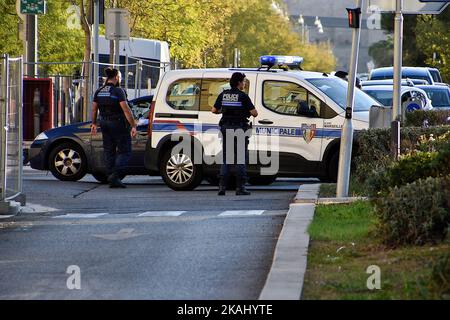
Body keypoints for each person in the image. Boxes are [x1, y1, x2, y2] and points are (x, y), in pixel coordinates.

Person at [212, 72, 258, 196]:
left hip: (226, 128)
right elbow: (254, 113)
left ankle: (222, 187)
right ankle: (240, 188)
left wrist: (225, 111)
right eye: (243, 81)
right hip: (240, 129)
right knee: (240, 159)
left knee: (226, 158)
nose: (244, 84)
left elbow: (214, 110)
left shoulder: (224, 94)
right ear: (238, 82)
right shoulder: (243, 96)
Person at [90, 68, 137, 188]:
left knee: (109, 150)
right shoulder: (118, 91)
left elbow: (94, 109)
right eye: (120, 77)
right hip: (118, 124)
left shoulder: (99, 91)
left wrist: (94, 124)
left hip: (104, 123)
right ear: (116, 77)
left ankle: (110, 176)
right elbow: (126, 110)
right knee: (125, 151)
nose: (120, 79)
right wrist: (133, 125)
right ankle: (115, 176)